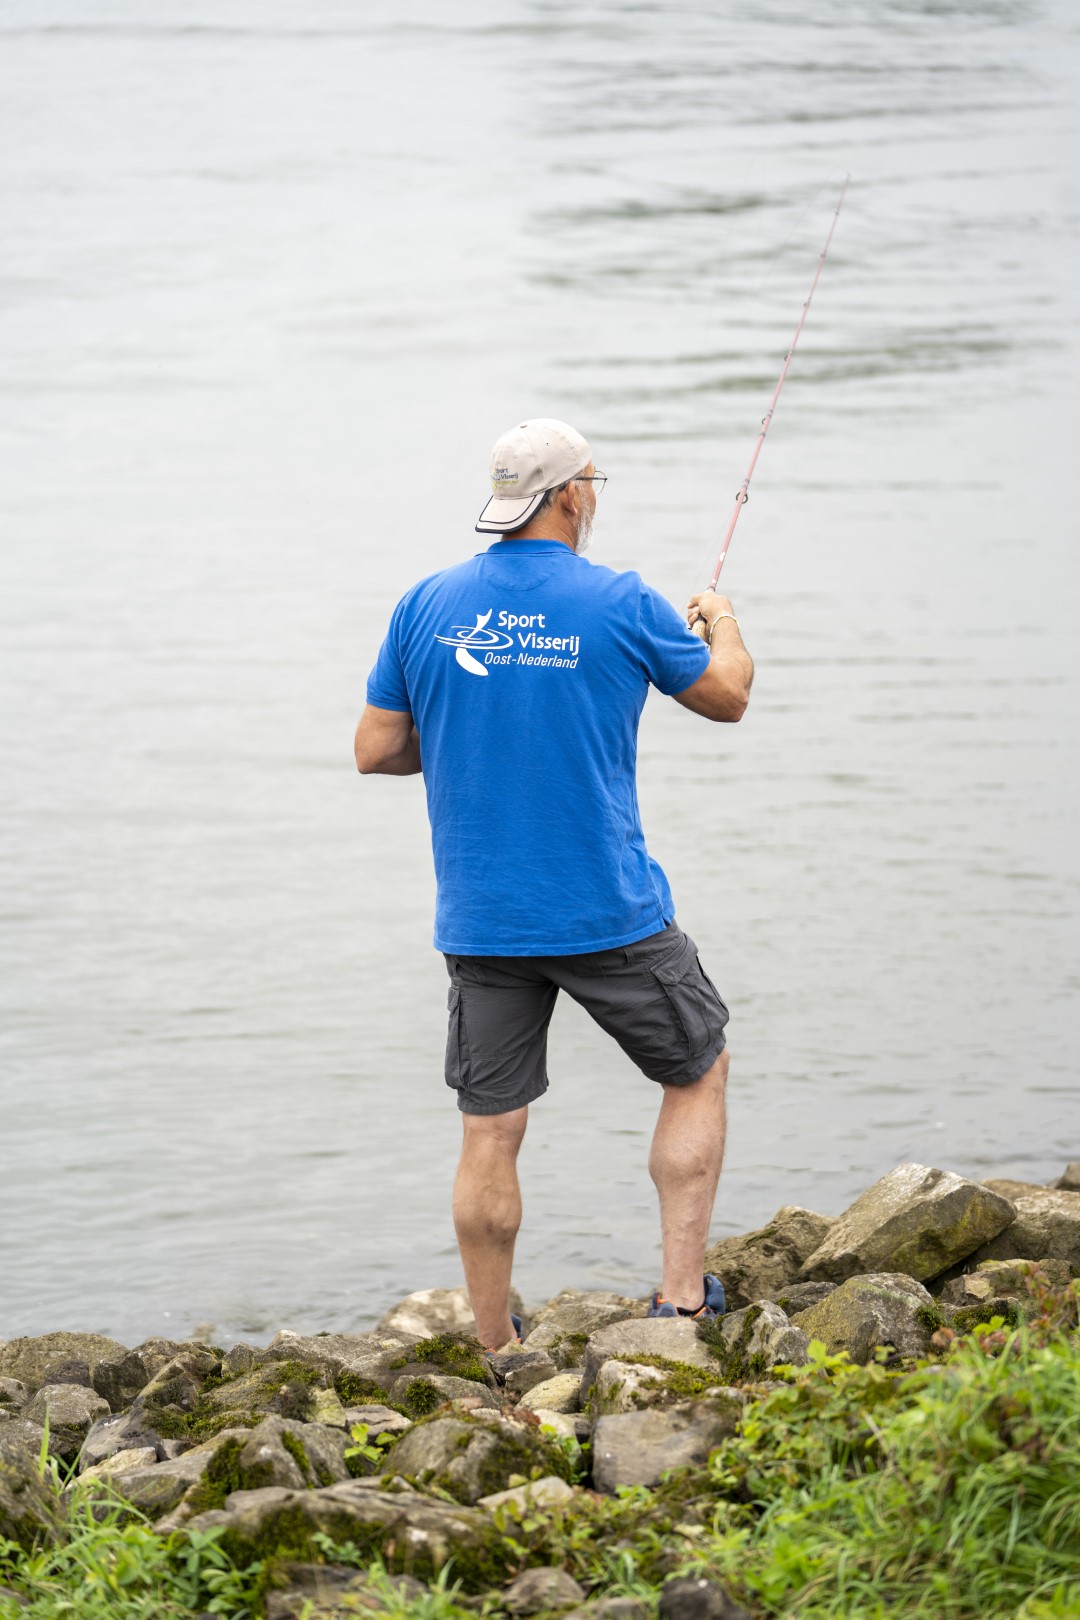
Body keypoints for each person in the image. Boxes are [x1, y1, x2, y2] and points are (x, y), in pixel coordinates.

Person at [354, 419, 753, 1351]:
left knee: (490, 1130)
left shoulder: (426, 603)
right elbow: (727, 697)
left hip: (483, 917)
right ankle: (681, 1301)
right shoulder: (622, 600)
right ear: (572, 495)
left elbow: (376, 749)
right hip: (608, 909)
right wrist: (721, 620)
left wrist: (470, 732)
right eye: (594, 484)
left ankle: (496, 1346)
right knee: (698, 1068)